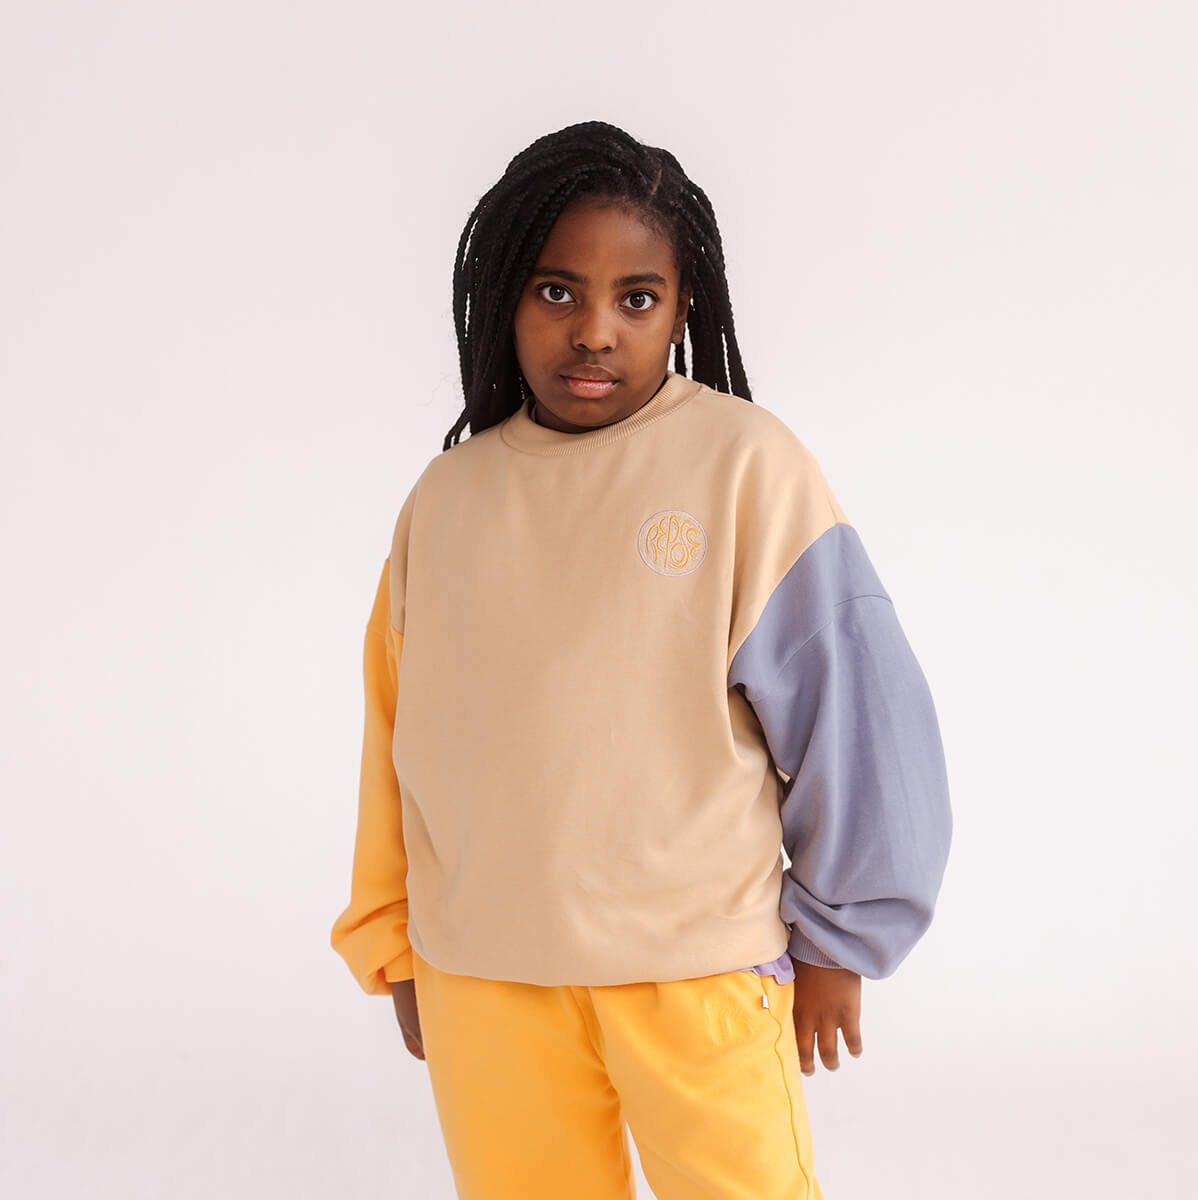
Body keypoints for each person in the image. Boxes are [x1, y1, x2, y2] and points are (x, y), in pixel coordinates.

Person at [330, 120, 953, 1200]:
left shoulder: (745, 467)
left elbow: (858, 716)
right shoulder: (447, 502)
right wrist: (396, 942)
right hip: (484, 974)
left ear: (683, 307)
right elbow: (399, 736)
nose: (594, 332)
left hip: (695, 973)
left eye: (636, 298)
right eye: (556, 291)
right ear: (504, 297)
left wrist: (839, 944)